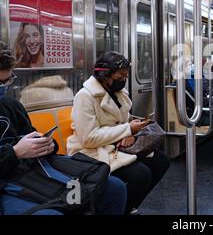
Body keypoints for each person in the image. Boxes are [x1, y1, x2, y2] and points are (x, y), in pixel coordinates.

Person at [0, 42, 127, 215]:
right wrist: (14, 152)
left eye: (6, 81)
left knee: (113, 187)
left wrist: (48, 144)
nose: (4, 87)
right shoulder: (86, 95)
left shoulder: (10, 105)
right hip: (7, 181)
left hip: (30, 170)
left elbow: (32, 135)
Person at [67, 51, 170, 214]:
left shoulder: (118, 93)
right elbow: (88, 138)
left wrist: (130, 132)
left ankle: (130, 206)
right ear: (106, 75)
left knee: (161, 161)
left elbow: (124, 119)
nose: (124, 80)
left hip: (113, 145)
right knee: (141, 175)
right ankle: (120, 209)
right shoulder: (85, 97)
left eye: (126, 76)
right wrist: (127, 129)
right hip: (91, 151)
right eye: (121, 76)